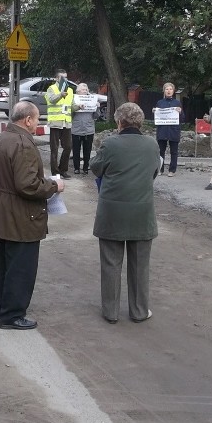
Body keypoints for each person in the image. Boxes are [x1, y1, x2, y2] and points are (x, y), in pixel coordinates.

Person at [0, 101, 64, 330]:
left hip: (4, 210)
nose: (37, 123)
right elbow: (27, 185)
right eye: (37, 118)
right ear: (27, 120)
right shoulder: (23, 143)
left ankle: (2, 309)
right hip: (21, 215)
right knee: (21, 267)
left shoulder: (4, 137)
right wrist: (54, 186)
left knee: (5, 264)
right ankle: (12, 315)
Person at [90, 103, 161, 324]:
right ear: (140, 122)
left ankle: (110, 312)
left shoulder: (110, 143)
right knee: (140, 265)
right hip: (142, 211)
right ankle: (139, 311)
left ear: (119, 122)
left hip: (112, 212)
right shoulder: (152, 145)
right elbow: (154, 172)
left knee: (111, 262)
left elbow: (95, 167)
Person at [45, 69, 74, 178]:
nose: (65, 79)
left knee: (68, 147)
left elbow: (72, 105)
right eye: (63, 77)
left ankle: (63, 170)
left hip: (66, 122)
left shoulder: (70, 90)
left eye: (66, 77)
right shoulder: (52, 88)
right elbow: (52, 100)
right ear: (57, 78)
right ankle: (55, 172)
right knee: (54, 148)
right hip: (55, 122)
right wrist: (61, 95)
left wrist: (80, 106)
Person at [153, 82, 183, 177]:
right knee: (161, 151)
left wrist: (180, 112)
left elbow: (182, 118)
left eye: (170, 89)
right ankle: (160, 169)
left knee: (174, 151)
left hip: (174, 130)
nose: (168, 91)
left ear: (173, 91)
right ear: (164, 91)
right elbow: (156, 119)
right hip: (162, 130)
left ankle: (172, 170)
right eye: (167, 89)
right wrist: (154, 112)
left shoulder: (177, 103)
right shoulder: (159, 103)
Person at [71, 83, 98, 175]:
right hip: (77, 128)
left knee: (87, 150)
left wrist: (96, 107)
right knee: (76, 150)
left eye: (86, 89)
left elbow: (96, 116)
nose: (85, 91)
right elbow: (70, 113)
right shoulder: (73, 100)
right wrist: (78, 106)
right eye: (83, 89)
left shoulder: (92, 100)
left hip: (89, 129)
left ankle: (86, 167)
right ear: (78, 91)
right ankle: (76, 168)